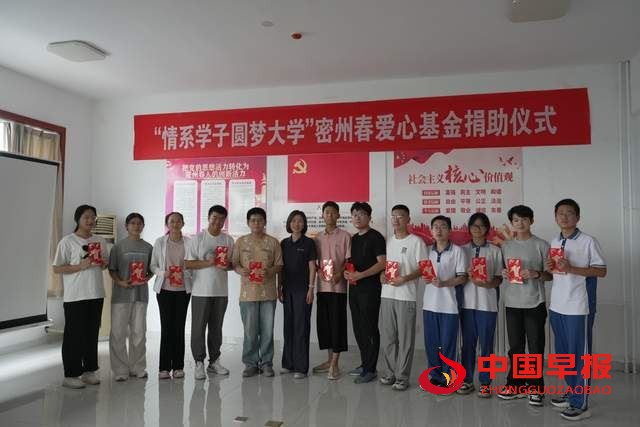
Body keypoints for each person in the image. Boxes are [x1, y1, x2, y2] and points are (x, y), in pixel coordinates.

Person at [546, 199, 606, 421]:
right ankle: (572, 392)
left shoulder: (588, 241)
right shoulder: (555, 241)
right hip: (557, 305)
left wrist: (571, 268)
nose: (564, 217)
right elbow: (557, 272)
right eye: (560, 213)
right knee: (563, 354)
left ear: (577, 217)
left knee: (579, 355)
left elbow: (601, 271)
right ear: (555, 217)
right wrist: (550, 267)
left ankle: (581, 403)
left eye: (569, 213)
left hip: (579, 306)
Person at [497, 205, 551, 405]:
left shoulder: (541, 245)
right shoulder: (506, 246)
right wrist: (504, 273)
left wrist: (536, 274)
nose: (520, 223)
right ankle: (516, 385)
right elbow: (503, 270)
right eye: (516, 220)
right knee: (516, 347)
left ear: (532, 221)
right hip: (512, 302)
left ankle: (536, 387)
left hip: (534, 302)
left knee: (535, 346)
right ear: (511, 222)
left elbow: (550, 275)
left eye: (524, 219)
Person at [53, 204, 109, 389]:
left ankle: (89, 371)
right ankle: (71, 374)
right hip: (75, 295)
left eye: (93, 217)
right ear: (78, 219)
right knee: (74, 335)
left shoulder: (100, 240)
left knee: (91, 333)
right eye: (86, 217)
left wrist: (103, 263)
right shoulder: (67, 241)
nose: (90, 220)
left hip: (96, 293)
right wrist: (79, 266)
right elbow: (57, 268)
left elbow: (103, 266)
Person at [378, 204, 427, 391]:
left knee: (405, 338)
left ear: (408, 220)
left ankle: (402, 376)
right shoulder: (389, 242)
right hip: (387, 294)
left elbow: (424, 268)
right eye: (393, 216)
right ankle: (390, 372)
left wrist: (405, 278)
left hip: (406, 296)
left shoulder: (416, 242)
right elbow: (385, 266)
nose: (396, 220)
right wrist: (382, 275)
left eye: (400, 216)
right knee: (388, 337)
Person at [184, 205, 235, 380]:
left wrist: (226, 265)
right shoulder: (198, 238)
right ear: (208, 218)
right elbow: (188, 263)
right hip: (201, 291)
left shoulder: (228, 240)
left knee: (216, 328)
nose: (218, 221)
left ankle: (214, 361)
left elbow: (232, 265)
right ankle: (199, 362)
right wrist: (209, 262)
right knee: (198, 328)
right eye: (215, 217)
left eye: (221, 219)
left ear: (224, 221)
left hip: (221, 291)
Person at [232, 207, 283, 377]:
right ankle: (250, 364)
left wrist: (270, 271)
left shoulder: (273, 242)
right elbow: (234, 263)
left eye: (260, 220)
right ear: (248, 222)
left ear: (265, 222)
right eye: (253, 220)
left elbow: (279, 265)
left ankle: (267, 363)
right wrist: (241, 270)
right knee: (250, 331)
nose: (256, 223)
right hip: (248, 294)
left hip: (268, 293)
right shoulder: (240, 242)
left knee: (267, 331)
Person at [457, 212, 503, 397]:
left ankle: (486, 382)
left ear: (487, 229)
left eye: (481, 226)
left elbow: (499, 278)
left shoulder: (495, 250)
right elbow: (457, 277)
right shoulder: (461, 250)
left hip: (487, 305)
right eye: (474, 226)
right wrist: (465, 276)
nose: (477, 229)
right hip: (466, 304)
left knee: (487, 345)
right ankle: (467, 380)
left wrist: (487, 284)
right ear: (469, 228)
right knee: (467, 345)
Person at [421, 215, 467, 392]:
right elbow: (423, 272)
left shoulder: (457, 251)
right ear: (431, 230)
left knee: (448, 344)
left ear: (450, 230)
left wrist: (444, 283)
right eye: (436, 227)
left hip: (449, 305)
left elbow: (462, 277)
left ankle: (448, 378)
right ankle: (434, 376)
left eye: (443, 226)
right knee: (431, 344)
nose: (439, 230)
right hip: (429, 305)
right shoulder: (427, 251)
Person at [108, 212, 153, 381]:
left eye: (139, 223)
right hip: (121, 296)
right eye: (133, 223)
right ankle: (120, 370)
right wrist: (120, 282)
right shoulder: (118, 247)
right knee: (118, 333)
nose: (136, 226)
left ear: (143, 226)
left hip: (141, 295)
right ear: (126, 226)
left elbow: (152, 269)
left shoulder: (148, 247)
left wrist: (147, 278)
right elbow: (112, 269)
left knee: (139, 333)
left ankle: (138, 367)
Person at [344, 202, 386, 384]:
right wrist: (347, 273)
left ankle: (371, 369)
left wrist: (361, 275)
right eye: (354, 214)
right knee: (358, 327)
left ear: (369, 217)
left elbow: (382, 263)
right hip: (354, 288)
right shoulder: (353, 238)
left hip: (370, 289)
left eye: (361, 214)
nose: (357, 217)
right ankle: (364, 363)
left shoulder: (376, 237)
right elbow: (351, 263)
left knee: (369, 327)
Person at [150, 211, 192, 379]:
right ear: (167, 224)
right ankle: (164, 367)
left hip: (183, 290)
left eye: (178, 221)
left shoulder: (189, 242)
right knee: (166, 327)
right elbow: (153, 265)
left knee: (179, 327)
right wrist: (163, 273)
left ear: (183, 223)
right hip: (165, 290)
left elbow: (193, 265)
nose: (175, 224)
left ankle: (178, 367)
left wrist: (185, 273)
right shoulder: (160, 242)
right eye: (172, 221)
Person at [312, 201, 351, 380]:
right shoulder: (317, 238)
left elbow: (348, 261)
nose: (329, 215)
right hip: (322, 287)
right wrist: (319, 271)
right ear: (322, 215)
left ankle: (335, 364)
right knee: (325, 325)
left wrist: (340, 274)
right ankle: (329, 360)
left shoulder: (345, 236)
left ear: (338, 215)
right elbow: (315, 262)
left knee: (337, 325)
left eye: (333, 212)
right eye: (326, 212)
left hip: (338, 288)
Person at [278, 210, 317, 379]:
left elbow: (312, 267)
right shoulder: (284, 243)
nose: (296, 224)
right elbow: (280, 268)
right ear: (289, 223)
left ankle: (301, 367)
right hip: (287, 289)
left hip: (303, 290)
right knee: (288, 326)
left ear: (304, 224)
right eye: (293, 221)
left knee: (301, 327)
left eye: (300, 221)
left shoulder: (309, 243)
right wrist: (279, 287)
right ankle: (288, 364)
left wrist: (311, 289)